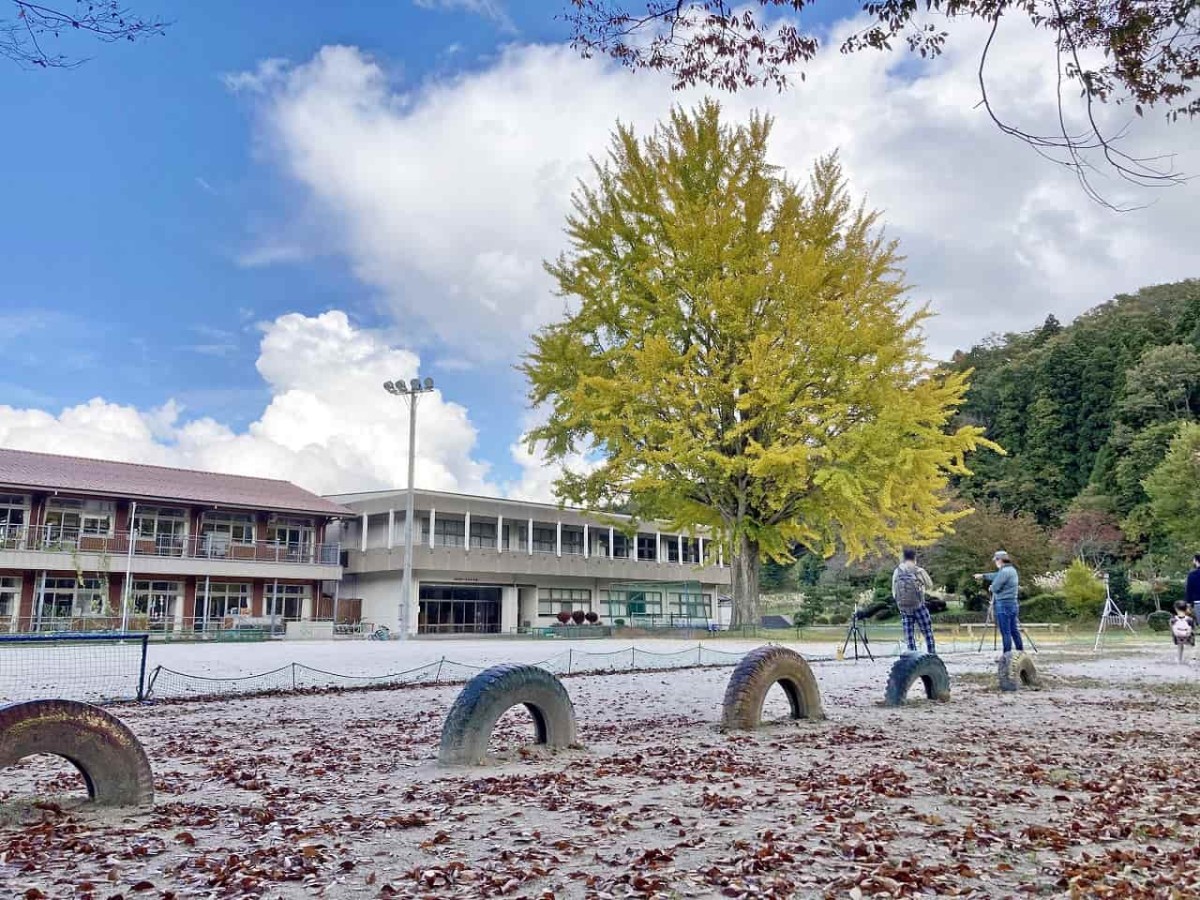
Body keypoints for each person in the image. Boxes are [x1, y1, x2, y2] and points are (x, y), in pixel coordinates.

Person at [975, 550, 1022, 653]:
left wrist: (991, 587)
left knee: (1005, 631)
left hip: (1003, 604)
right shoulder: (1011, 570)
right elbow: (996, 576)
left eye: (996, 560)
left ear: (1000, 560)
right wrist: (983, 576)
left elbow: (995, 587)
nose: (995, 563)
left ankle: (1006, 655)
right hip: (1012, 603)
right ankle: (1020, 652)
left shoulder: (1004, 572)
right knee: (1014, 630)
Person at [893, 549, 936, 654]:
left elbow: (894, 591)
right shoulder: (918, 570)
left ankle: (912, 656)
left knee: (909, 635)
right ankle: (932, 655)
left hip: (903, 608)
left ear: (903, 558)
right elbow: (930, 585)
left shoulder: (897, 571)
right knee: (927, 632)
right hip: (918, 606)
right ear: (914, 558)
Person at [1171, 600, 1195, 665]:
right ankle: (1192, 659)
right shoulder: (1190, 619)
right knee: (1190, 646)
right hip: (1188, 635)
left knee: (1180, 646)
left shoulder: (1173, 619)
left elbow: (1172, 628)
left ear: (1176, 609)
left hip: (1178, 636)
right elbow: (1192, 628)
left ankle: (1179, 659)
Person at [1186, 554, 1200, 630]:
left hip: (1198, 602)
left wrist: (1188, 604)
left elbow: (1189, 590)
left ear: (1195, 561)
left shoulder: (1192, 575)